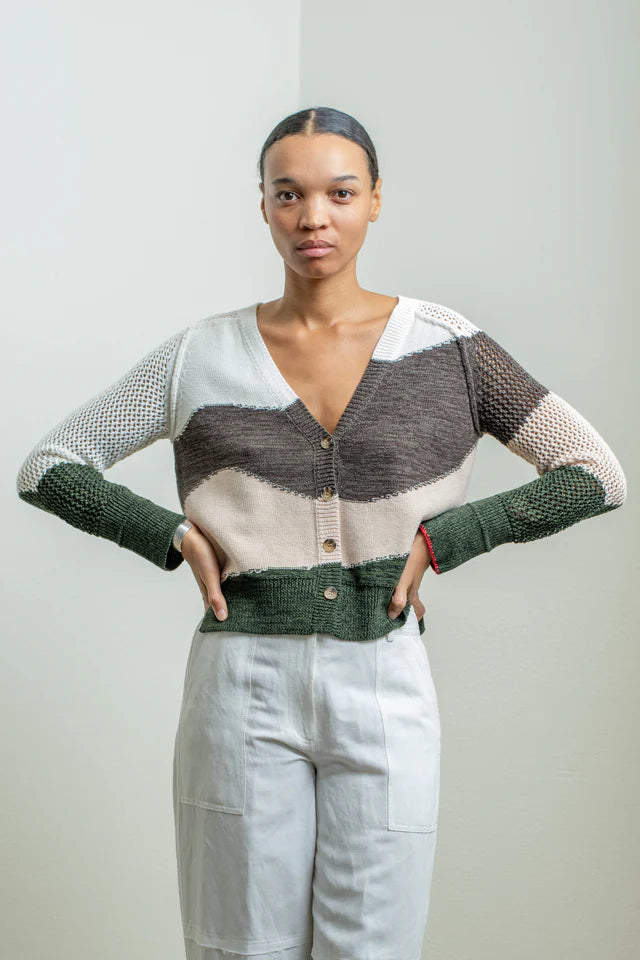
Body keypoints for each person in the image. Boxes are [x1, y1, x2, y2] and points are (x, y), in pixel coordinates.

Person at [16, 106, 627, 960]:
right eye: (289, 194)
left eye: (340, 193)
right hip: (241, 680)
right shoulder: (200, 355)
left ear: (375, 199)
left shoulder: (450, 348)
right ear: (263, 206)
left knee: (373, 948)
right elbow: (49, 466)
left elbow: (594, 472)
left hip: (384, 676)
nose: (314, 218)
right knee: (237, 946)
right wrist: (172, 535)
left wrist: (445, 539)